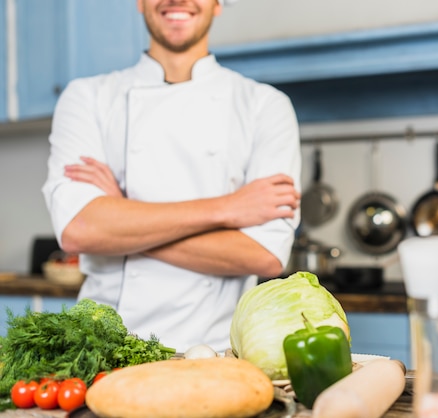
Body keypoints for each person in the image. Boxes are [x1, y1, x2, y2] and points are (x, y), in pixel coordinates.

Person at [41, 0, 302, 353]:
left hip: (214, 353)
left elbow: (265, 255)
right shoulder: (87, 98)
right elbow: (79, 230)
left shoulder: (264, 106)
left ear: (217, 4)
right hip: (102, 351)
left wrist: (120, 217)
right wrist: (227, 208)